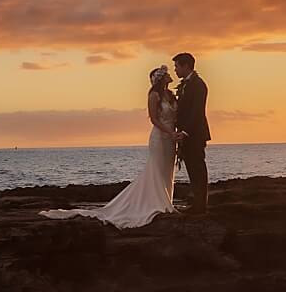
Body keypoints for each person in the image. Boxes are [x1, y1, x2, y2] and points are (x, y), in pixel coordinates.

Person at [42, 65, 185, 229]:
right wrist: (169, 132)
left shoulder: (171, 95)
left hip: (171, 139)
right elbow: (154, 119)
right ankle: (158, 203)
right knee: (157, 169)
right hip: (160, 137)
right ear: (159, 78)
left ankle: (167, 201)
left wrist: (177, 133)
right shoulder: (154, 95)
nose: (169, 75)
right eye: (165, 74)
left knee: (167, 170)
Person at [172, 52, 211, 217]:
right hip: (186, 134)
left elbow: (196, 112)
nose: (175, 70)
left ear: (186, 65)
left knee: (198, 169)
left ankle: (201, 205)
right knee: (192, 169)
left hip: (195, 134)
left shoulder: (198, 85)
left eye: (177, 66)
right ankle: (197, 203)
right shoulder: (185, 85)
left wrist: (185, 132)